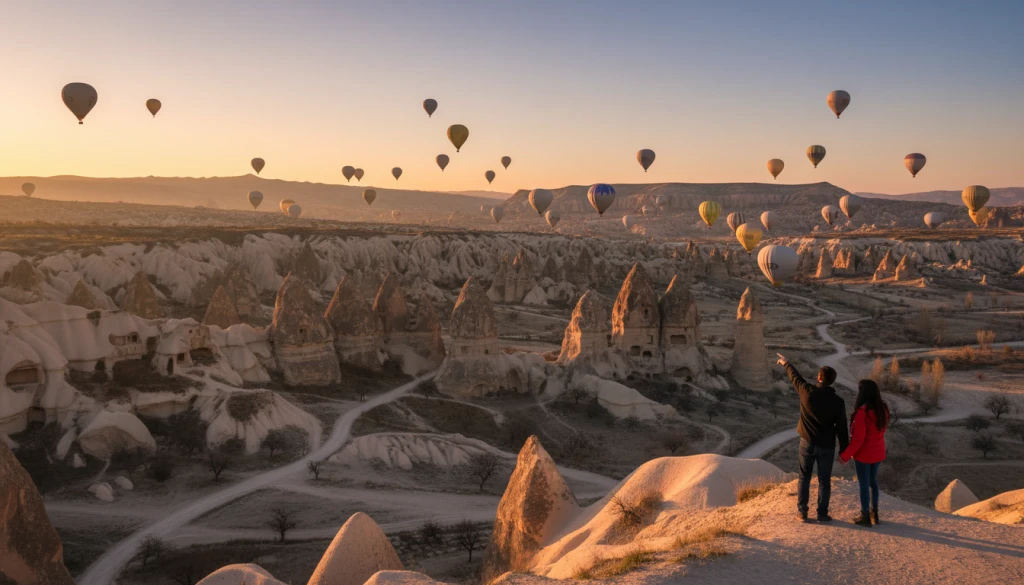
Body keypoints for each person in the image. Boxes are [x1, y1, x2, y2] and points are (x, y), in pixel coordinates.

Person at [776, 354, 849, 522]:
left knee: (804, 477)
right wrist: (844, 450)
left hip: (807, 442)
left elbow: (796, 377)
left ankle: (802, 512)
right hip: (827, 446)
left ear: (818, 378)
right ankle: (822, 514)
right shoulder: (838, 402)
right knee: (824, 480)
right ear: (832, 381)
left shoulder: (807, 392)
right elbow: (842, 428)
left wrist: (786, 363)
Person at [840, 379, 889, 527]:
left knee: (863, 485)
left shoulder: (862, 413)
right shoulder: (883, 409)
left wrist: (845, 456)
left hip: (864, 455)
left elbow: (858, 440)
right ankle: (875, 514)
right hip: (878, 453)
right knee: (873, 483)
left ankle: (865, 516)